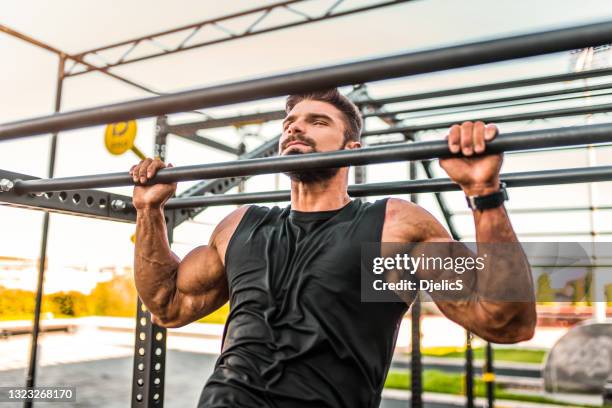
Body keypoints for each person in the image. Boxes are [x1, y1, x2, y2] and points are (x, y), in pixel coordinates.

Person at [130, 89, 536, 408]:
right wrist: (149, 210)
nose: (294, 128)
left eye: (317, 121)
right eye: (289, 122)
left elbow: (505, 321)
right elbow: (169, 304)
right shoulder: (241, 225)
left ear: (351, 150)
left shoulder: (391, 227)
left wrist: (484, 193)